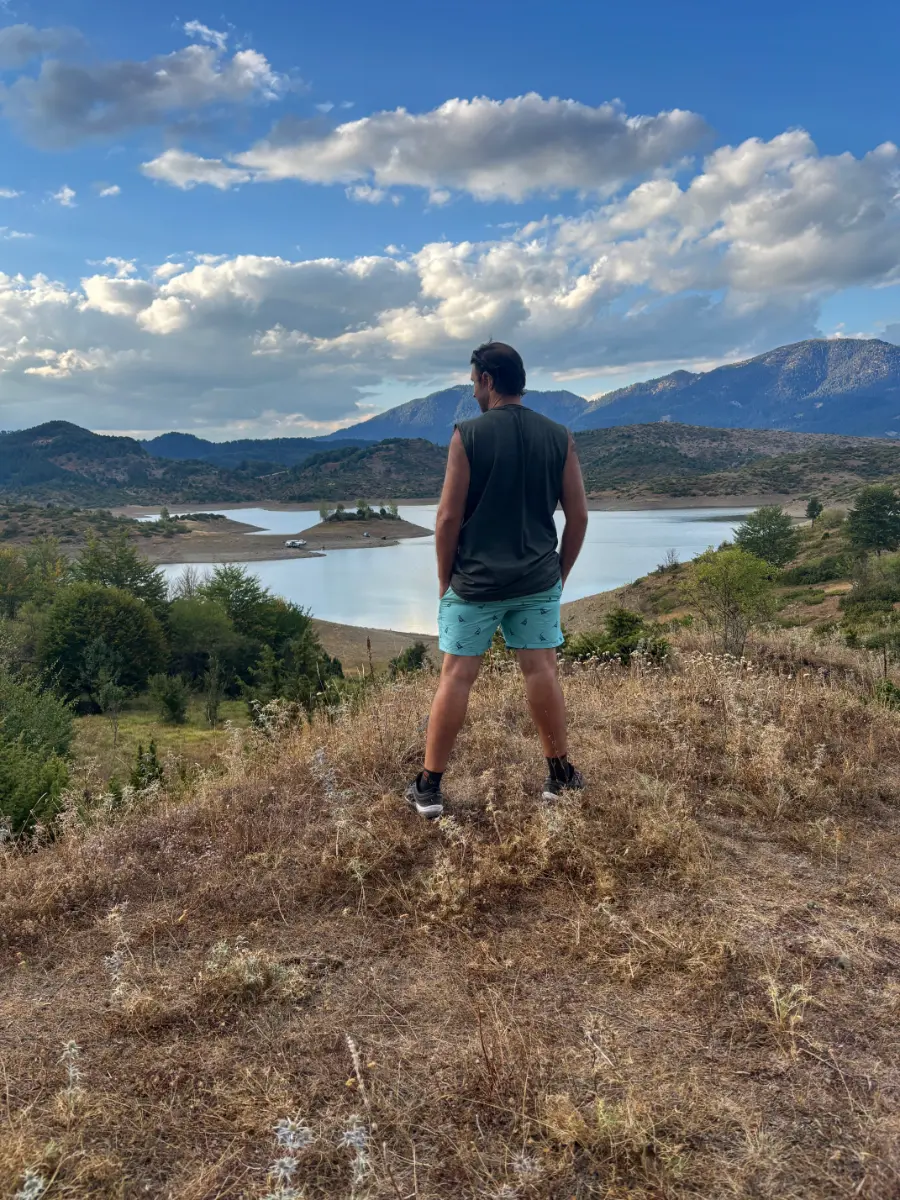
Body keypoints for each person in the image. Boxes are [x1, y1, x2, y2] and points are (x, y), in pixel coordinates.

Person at [405, 341, 589, 819]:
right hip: (537, 582)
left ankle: (429, 788)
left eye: (472, 382)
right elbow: (579, 517)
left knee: (457, 677)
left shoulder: (467, 435)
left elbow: (447, 520)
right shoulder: (559, 435)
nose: (472, 391)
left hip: (476, 584)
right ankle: (560, 775)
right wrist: (558, 574)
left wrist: (446, 579)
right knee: (541, 671)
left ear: (487, 380)